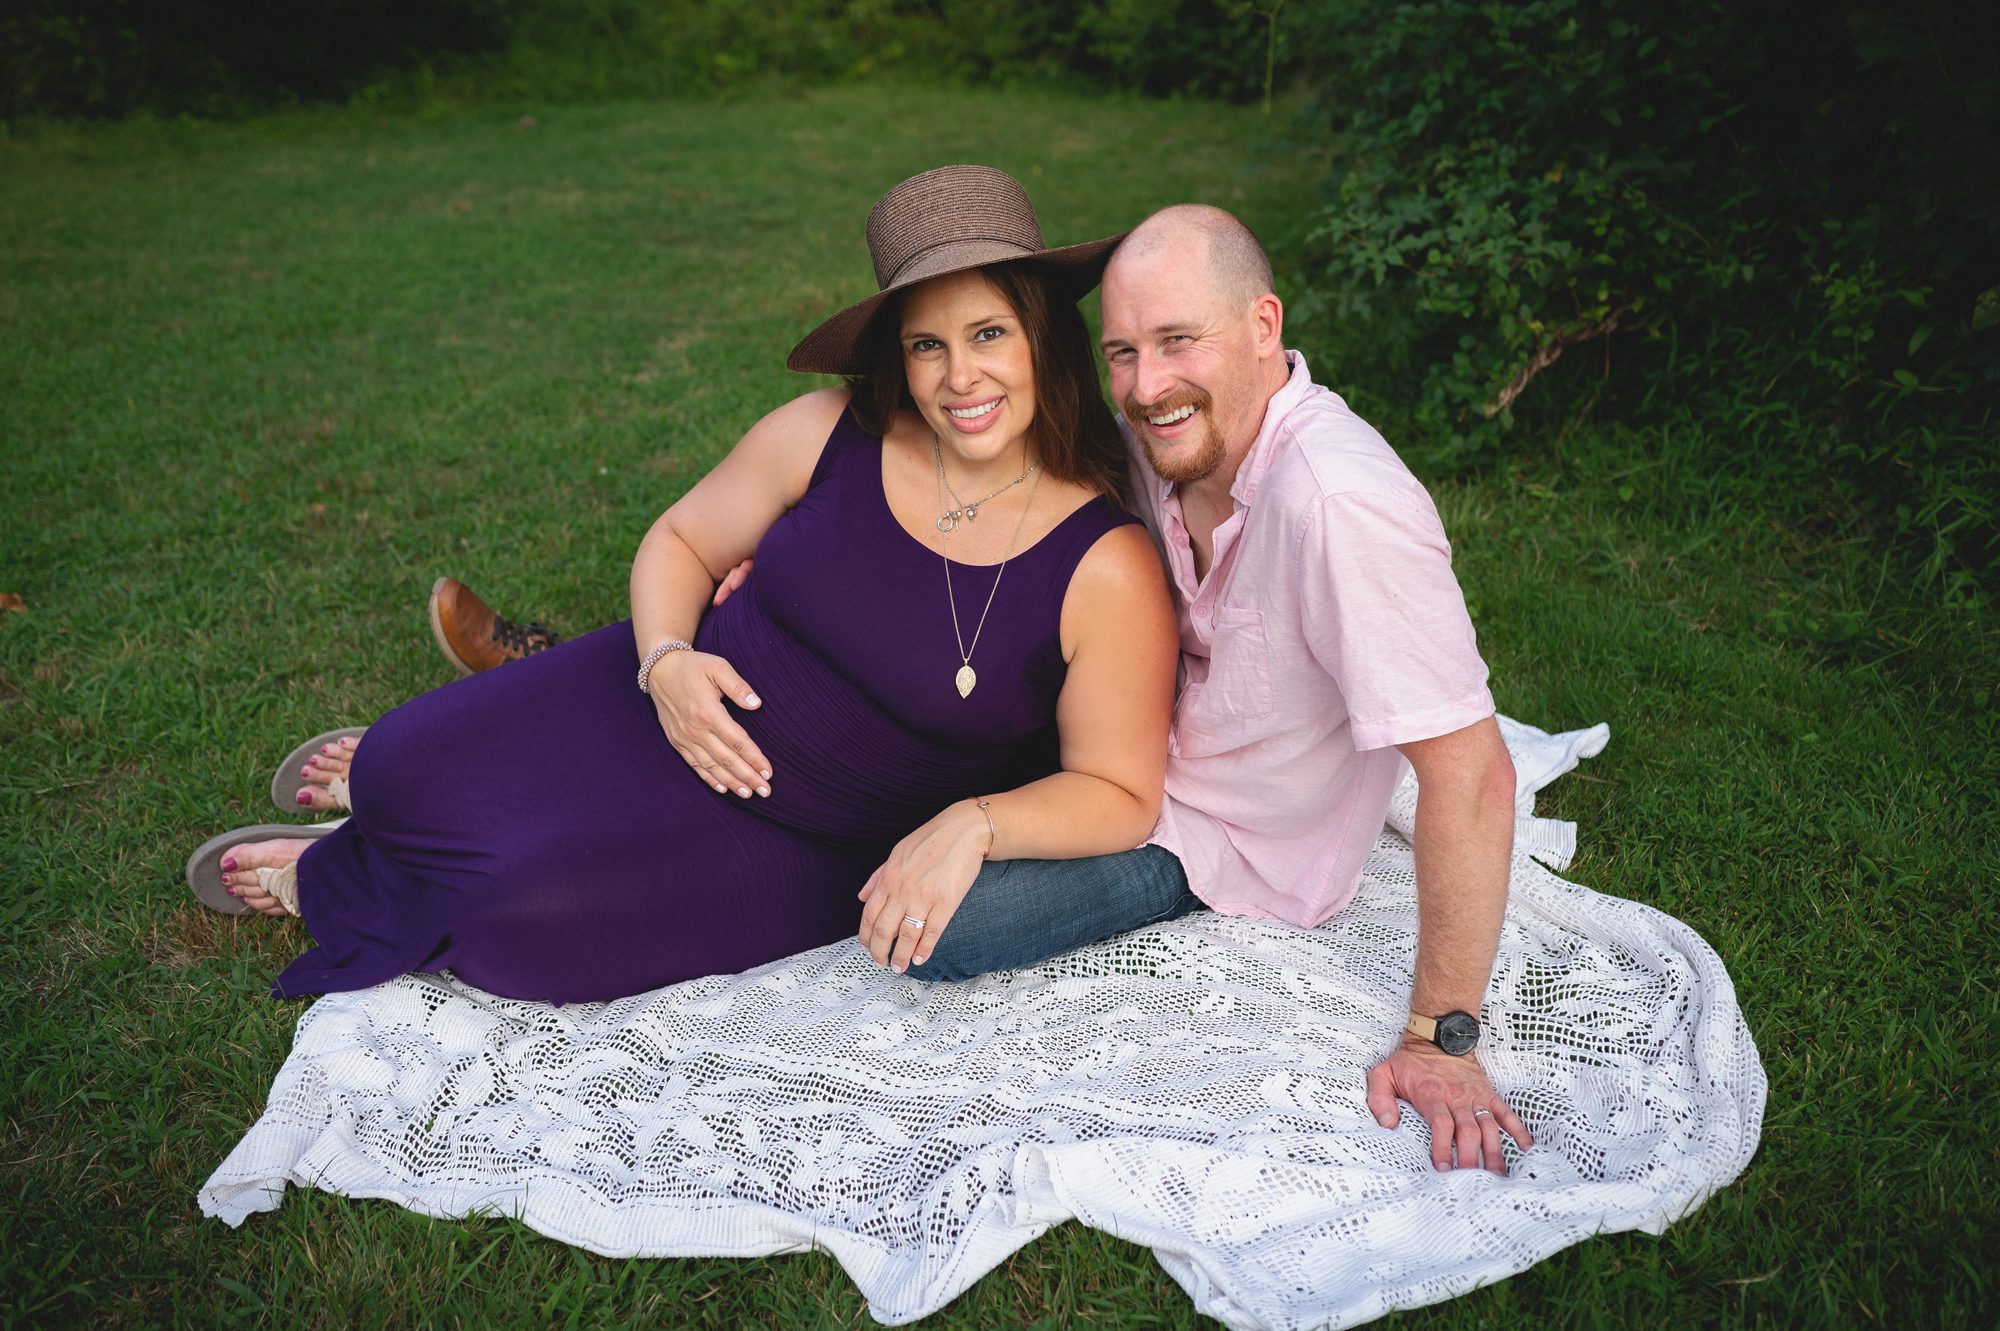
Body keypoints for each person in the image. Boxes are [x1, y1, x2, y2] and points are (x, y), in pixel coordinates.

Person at [314, 203, 1532, 1174]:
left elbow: (1467, 772)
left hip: (1199, 818)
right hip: (1012, 720)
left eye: (1177, 343)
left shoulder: (1339, 507)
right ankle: (560, 696)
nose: (1148, 379)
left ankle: (921, 787)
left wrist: (1441, 1035)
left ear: (1263, 325)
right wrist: (710, 619)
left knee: (936, 925)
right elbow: (900, 503)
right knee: (444, 755)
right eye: (1122, 349)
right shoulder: (1150, 431)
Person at [184, 164, 1179, 1006]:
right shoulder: (831, 432)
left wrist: (977, 820)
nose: (959, 376)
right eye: (927, 343)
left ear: (1041, 335)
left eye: (987, 334)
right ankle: (378, 817)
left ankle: (348, 863)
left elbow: (1120, 792)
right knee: (403, 758)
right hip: (674, 694)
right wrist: (665, 663)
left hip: (804, 831)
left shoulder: (1101, 562)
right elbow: (679, 540)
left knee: (515, 919)